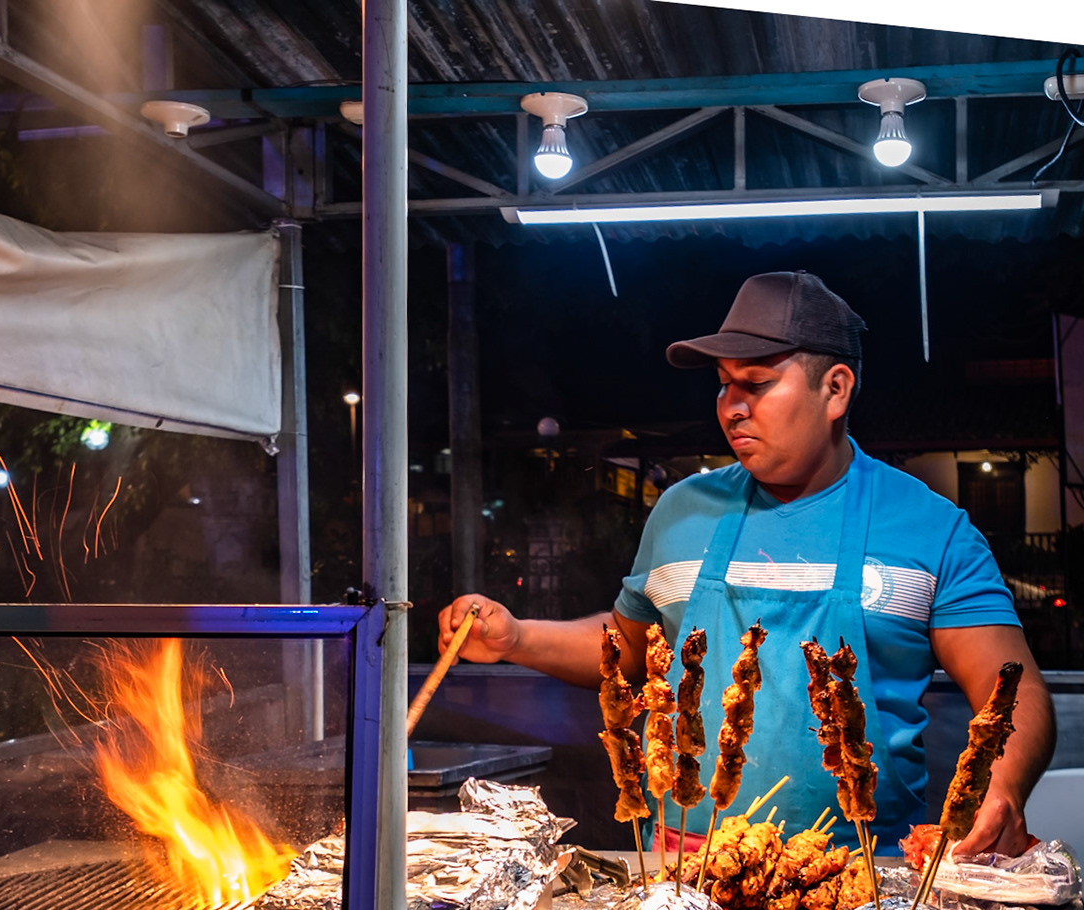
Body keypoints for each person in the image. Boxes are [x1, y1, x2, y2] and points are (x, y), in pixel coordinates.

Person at [442, 271, 1052, 857]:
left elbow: (1012, 692)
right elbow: (627, 651)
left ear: (835, 389)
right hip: (689, 874)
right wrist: (517, 638)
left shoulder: (929, 526)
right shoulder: (683, 510)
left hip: (866, 874)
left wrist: (1002, 791)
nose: (731, 406)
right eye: (723, 384)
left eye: (755, 384)